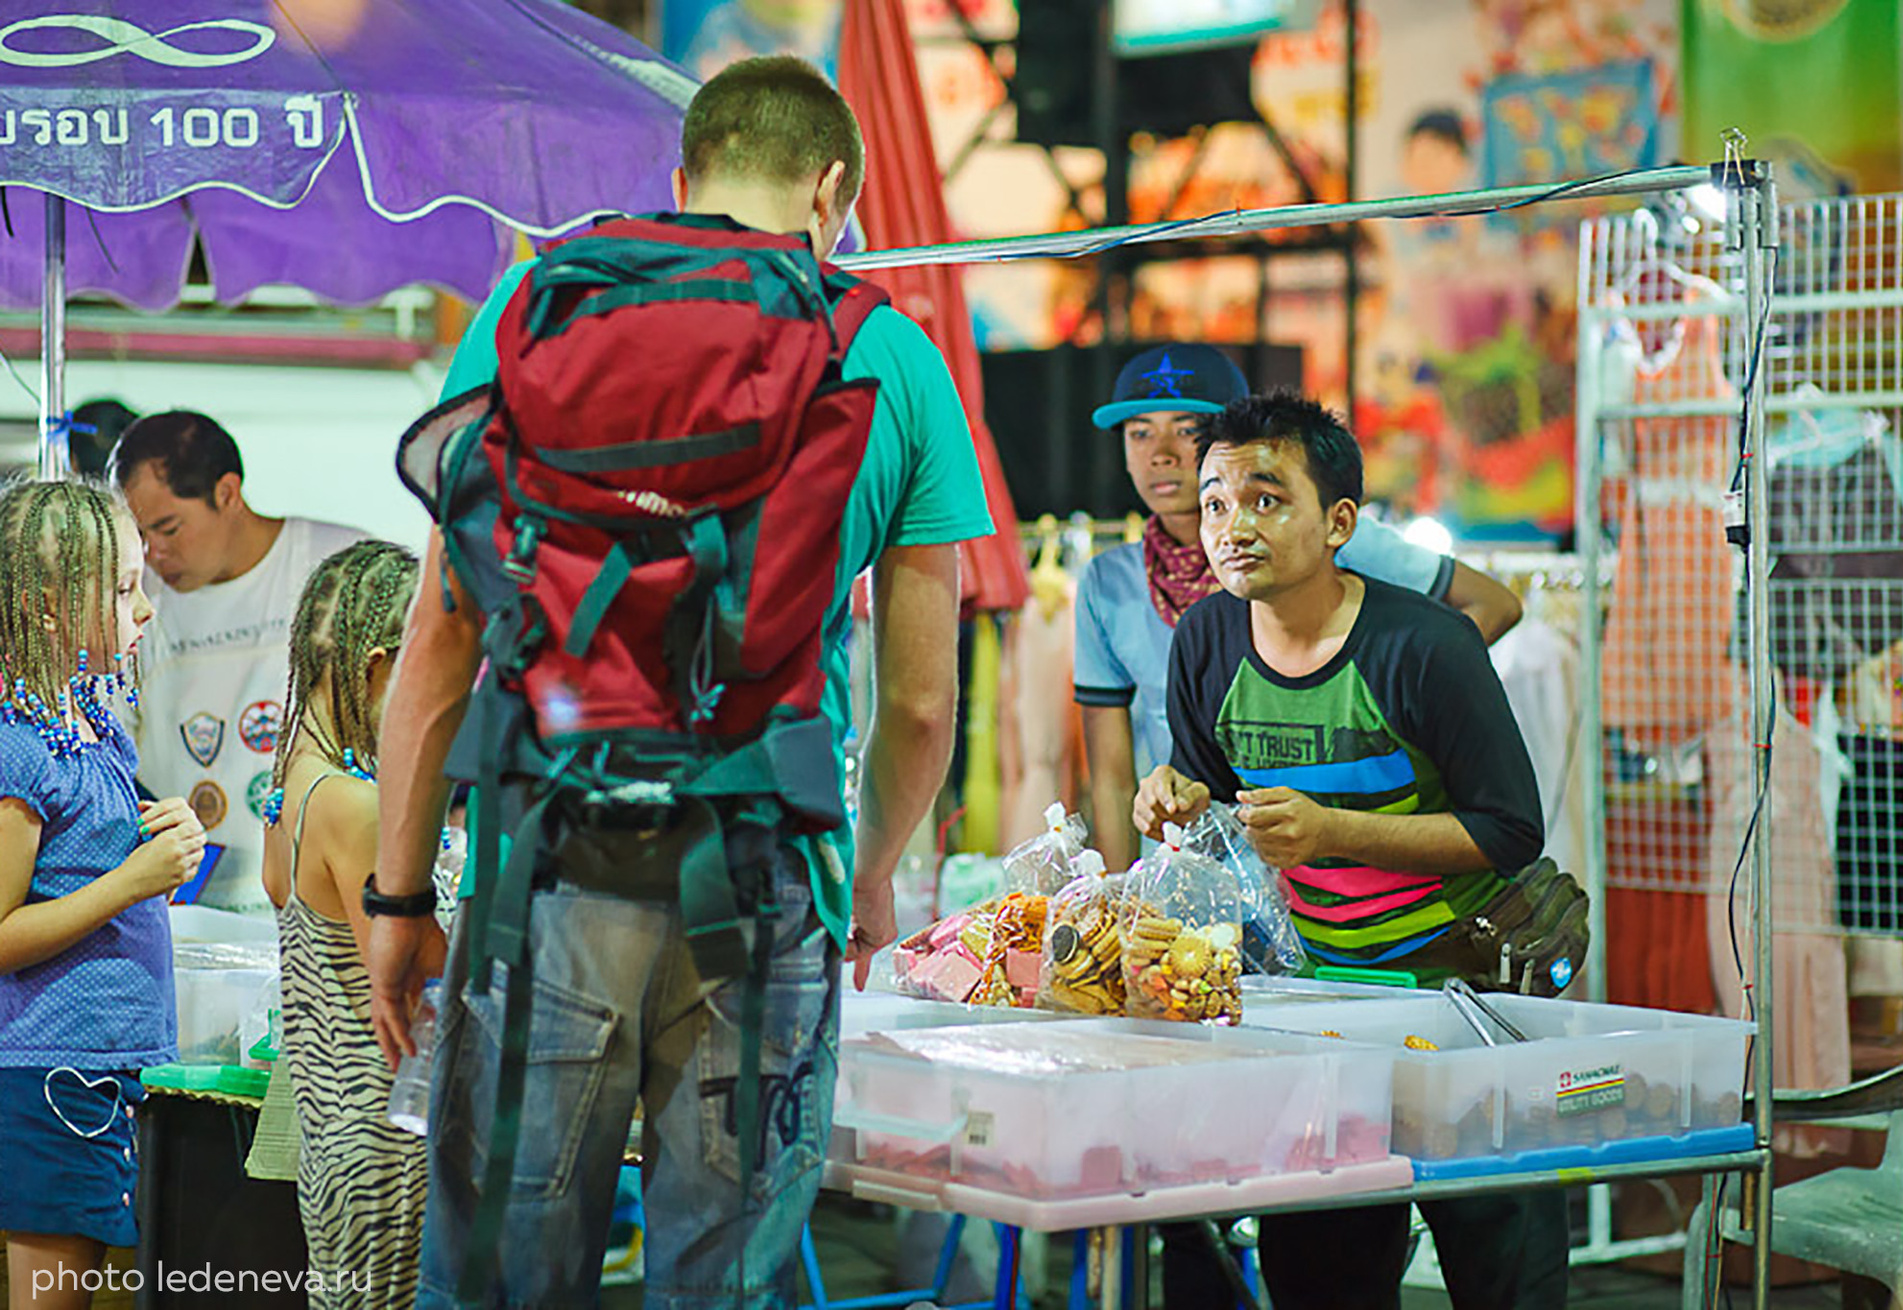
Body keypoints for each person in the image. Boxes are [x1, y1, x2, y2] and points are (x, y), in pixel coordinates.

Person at [365, 54, 991, 1307]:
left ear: (682, 177)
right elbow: (924, 699)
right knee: (722, 1283)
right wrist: (868, 875)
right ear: (832, 189)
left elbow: (441, 638)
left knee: (503, 1283)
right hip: (765, 884)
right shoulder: (891, 353)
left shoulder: (532, 306)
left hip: (541, 868)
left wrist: (397, 894)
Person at [1134, 390, 1565, 1310]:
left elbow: (1509, 830)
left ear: (1338, 523)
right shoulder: (1205, 639)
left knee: (1503, 1274)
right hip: (1317, 1009)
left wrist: (1335, 831)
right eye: (1216, 503)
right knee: (1324, 1275)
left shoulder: (1427, 646)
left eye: (1266, 499)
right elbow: (1205, 781)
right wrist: (1174, 794)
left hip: (1464, 1003)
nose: (1233, 527)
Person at [1075, 343, 1523, 874]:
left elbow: (1507, 830)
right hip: (1219, 872)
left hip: (1386, 867)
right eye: (1139, 433)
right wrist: (1121, 891)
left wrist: (1403, 696)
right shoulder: (1132, 594)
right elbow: (1124, 775)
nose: (1162, 454)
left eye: (1189, 429)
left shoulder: (1337, 545)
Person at [0, 479, 204, 1308]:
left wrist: (167, 833)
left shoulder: (91, 721)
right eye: (123, 590)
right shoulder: (19, 747)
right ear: (49, 610)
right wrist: (131, 882)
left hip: (96, 1069)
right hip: (50, 1071)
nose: (145, 610)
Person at [109, 412, 365, 915]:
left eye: (168, 528)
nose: (154, 553)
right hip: (190, 897)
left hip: (330, 891)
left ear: (227, 493)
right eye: (140, 536)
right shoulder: (135, 602)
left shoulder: (339, 567)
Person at [260, 541, 427, 1310]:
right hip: (388, 1141)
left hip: (332, 1137)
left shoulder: (288, 786)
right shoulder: (354, 807)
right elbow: (415, 976)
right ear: (377, 664)